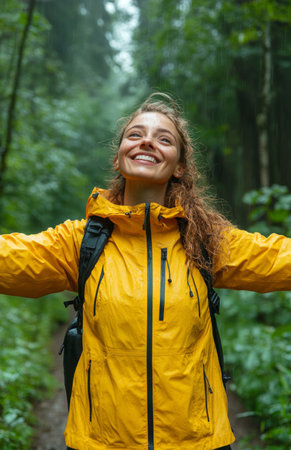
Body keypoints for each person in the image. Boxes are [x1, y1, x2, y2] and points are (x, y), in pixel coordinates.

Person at [0, 93, 290, 450]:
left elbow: (279, 257)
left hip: (195, 441)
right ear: (119, 154)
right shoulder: (82, 242)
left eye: (164, 138)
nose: (147, 141)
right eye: (135, 134)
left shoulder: (205, 239)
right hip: (104, 442)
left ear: (180, 165)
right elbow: (9, 259)